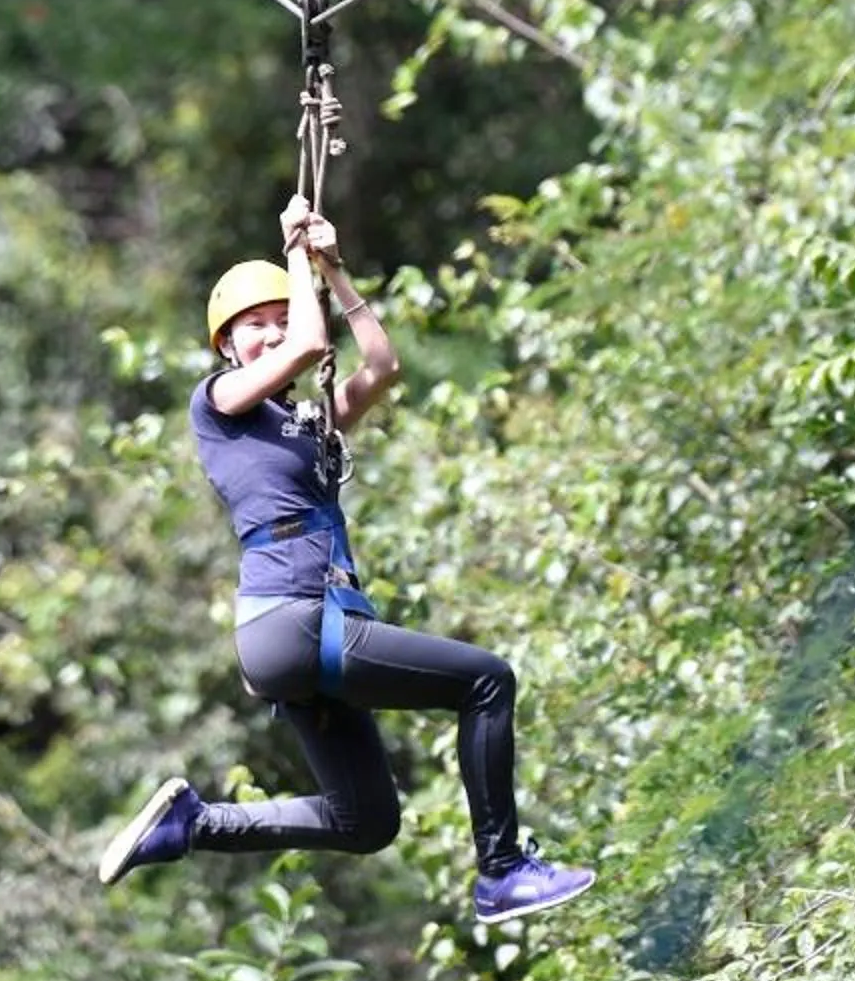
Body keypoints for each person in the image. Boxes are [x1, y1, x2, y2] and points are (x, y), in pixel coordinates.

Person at [96, 192, 598, 927]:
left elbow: (382, 366)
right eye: (252, 328)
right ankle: (501, 869)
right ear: (227, 349)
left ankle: (194, 825)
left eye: (276, 319)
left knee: (365, 821)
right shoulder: (219, 402)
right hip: (292, 620)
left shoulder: (304, 425)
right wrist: (295, 257)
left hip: (303, 629)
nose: (270, 336)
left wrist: (333, 273)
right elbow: (304, 347)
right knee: (488, 682)